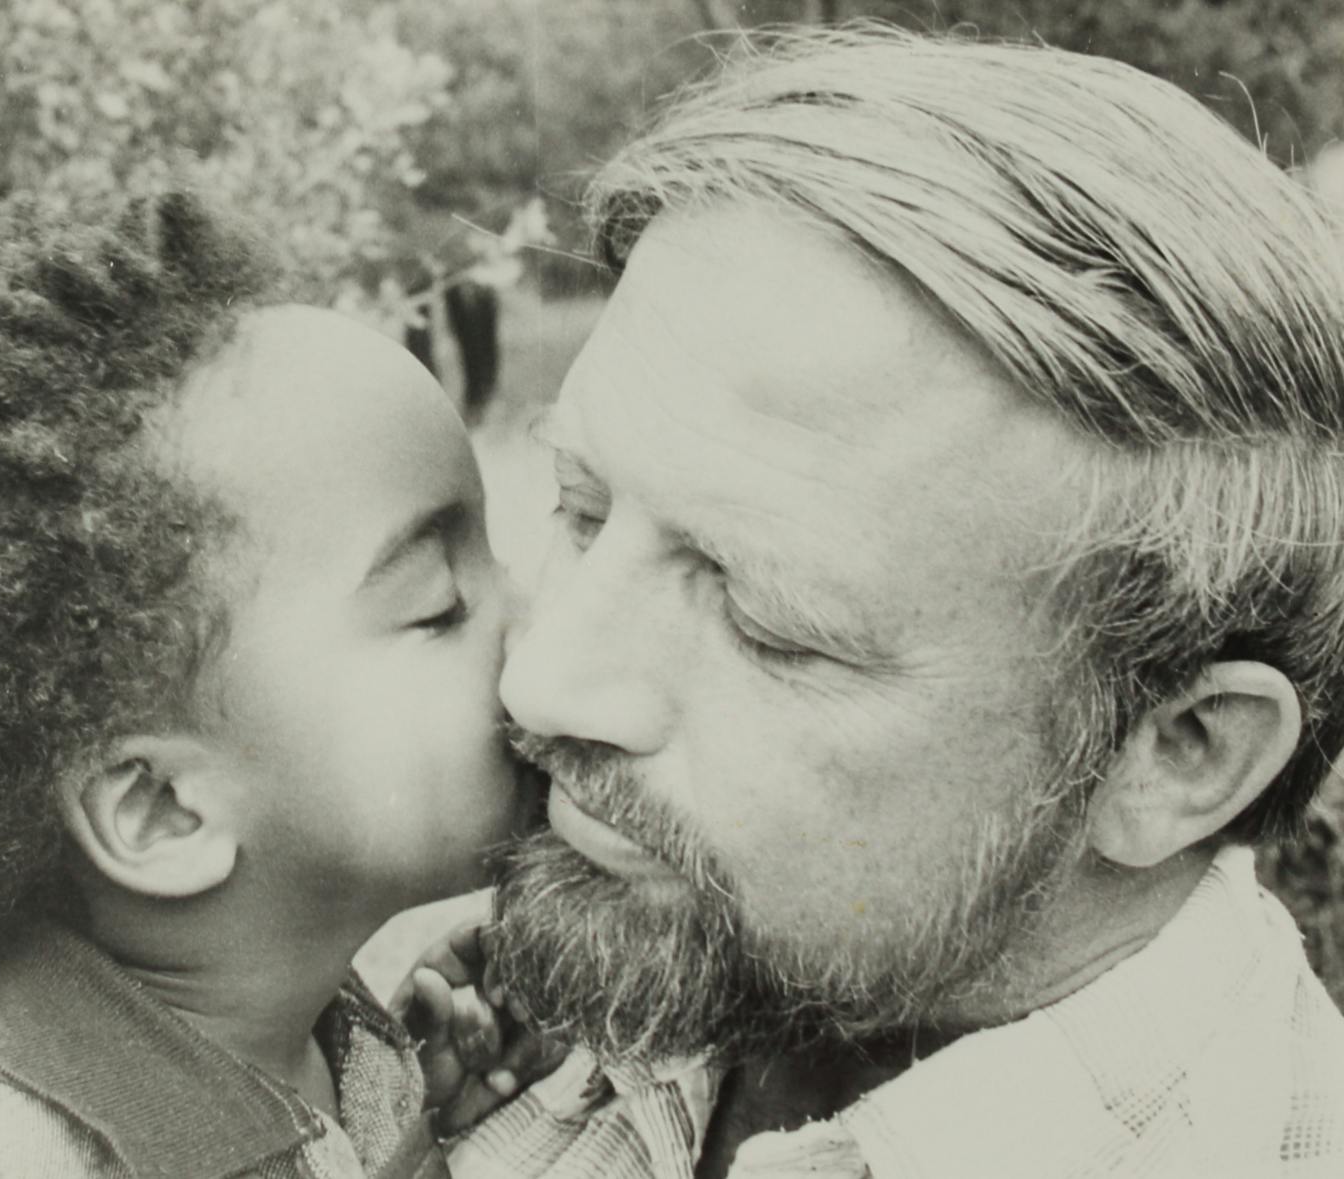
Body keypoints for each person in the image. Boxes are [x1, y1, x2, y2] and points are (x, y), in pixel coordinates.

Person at [444, 25, 1344, 1179]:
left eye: (770, 624)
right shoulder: (492, 1038)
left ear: (1180, 752)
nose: (544, 677)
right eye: (577, 507)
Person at [0, 189, 537, 1177]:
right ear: (162, 811)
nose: (544, 623)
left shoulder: (327, 1039)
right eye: (439, 604)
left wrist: (417, 1138)